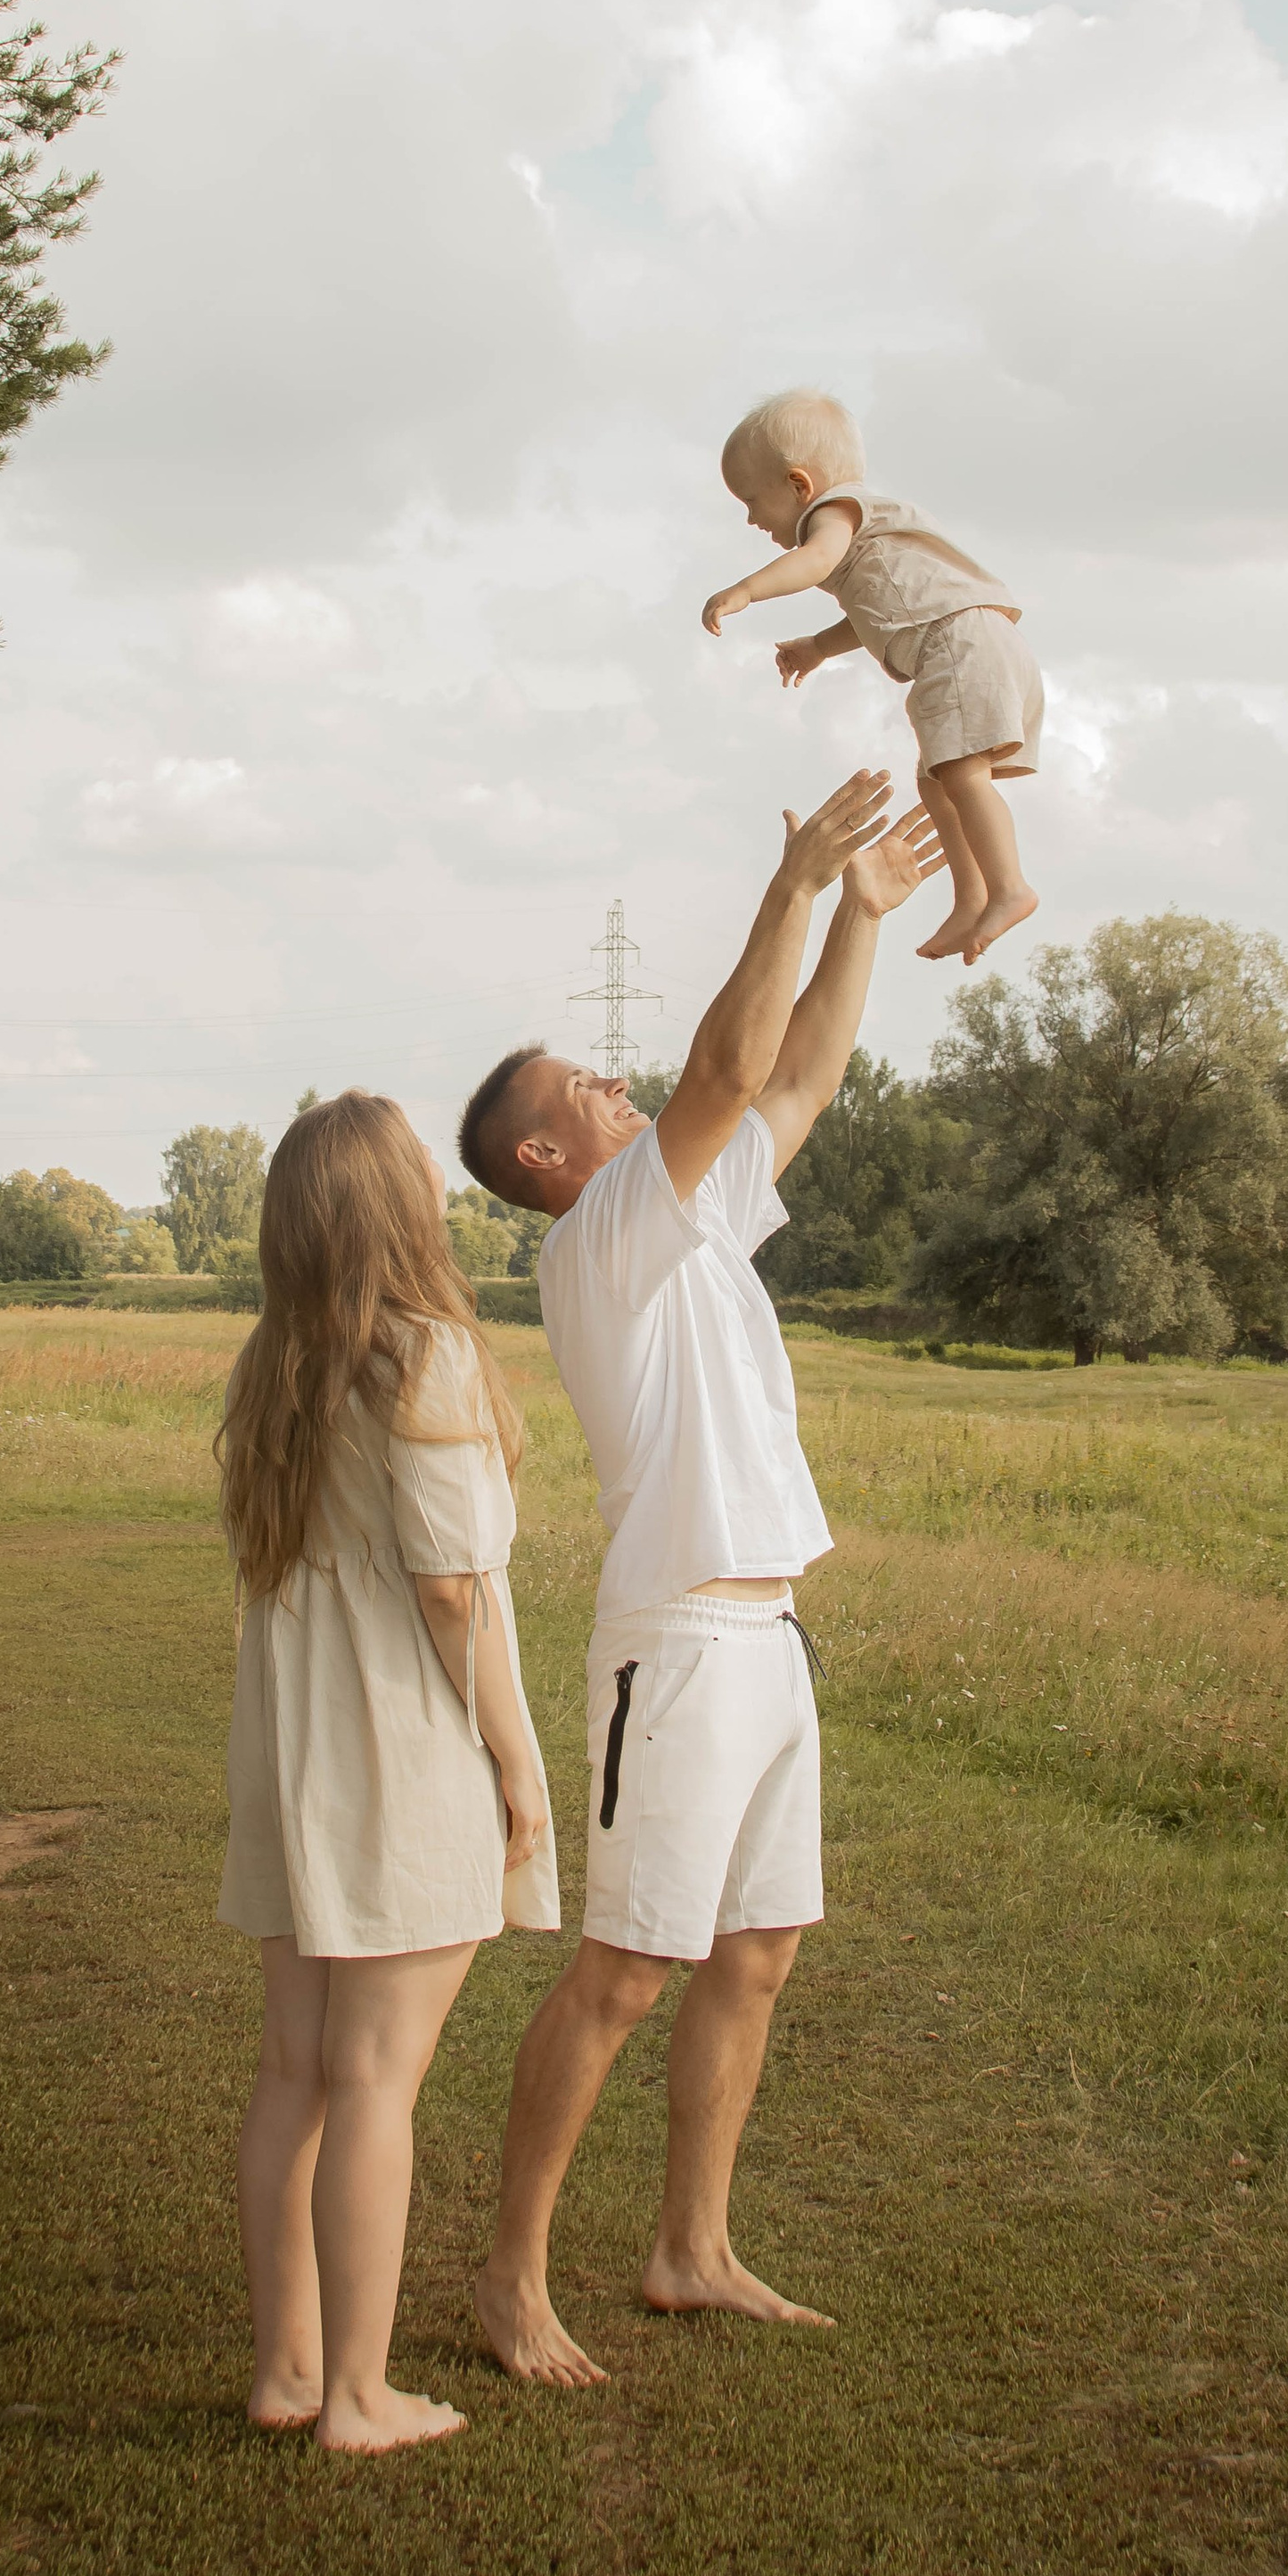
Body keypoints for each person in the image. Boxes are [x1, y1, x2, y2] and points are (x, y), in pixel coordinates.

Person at [454, 770, 943, 2386]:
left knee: (759, 1950)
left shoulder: (694, 1216)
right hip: (673, 1642)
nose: (616, 1086)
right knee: (627, 1972)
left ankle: (690, 2250)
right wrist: (791, 881)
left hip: (767, 1630)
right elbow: (731, 1063)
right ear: (546, 1150)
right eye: (589, 1086)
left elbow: (794, 1075)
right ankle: (512, 2283)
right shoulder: (594, 1244)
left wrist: (859, 916)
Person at [216, 1091, 559, 2453]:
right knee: (373, 2080)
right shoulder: (429, 1356)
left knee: (295, 2069)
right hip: (399, 1743)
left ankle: (291, 2370)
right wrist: (518, 1766)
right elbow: (452, 1592)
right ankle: (358, 2396)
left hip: (298, 1741)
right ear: (391, 1203)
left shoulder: (277, 1363)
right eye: (420, 1160)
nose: (435, 1170)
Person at [701, 385, 1045, 966]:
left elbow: (813, 562)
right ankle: (972, 896)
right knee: (941, 777)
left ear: (799, 486)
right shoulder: (872, 547)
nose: (751, 518)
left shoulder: (835, 514)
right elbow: (876, 616)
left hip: (960, 642)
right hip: (974, 641)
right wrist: (816, 648)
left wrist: (746, 590)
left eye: (752, 501)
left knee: (962, 774)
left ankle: (1010, 885)